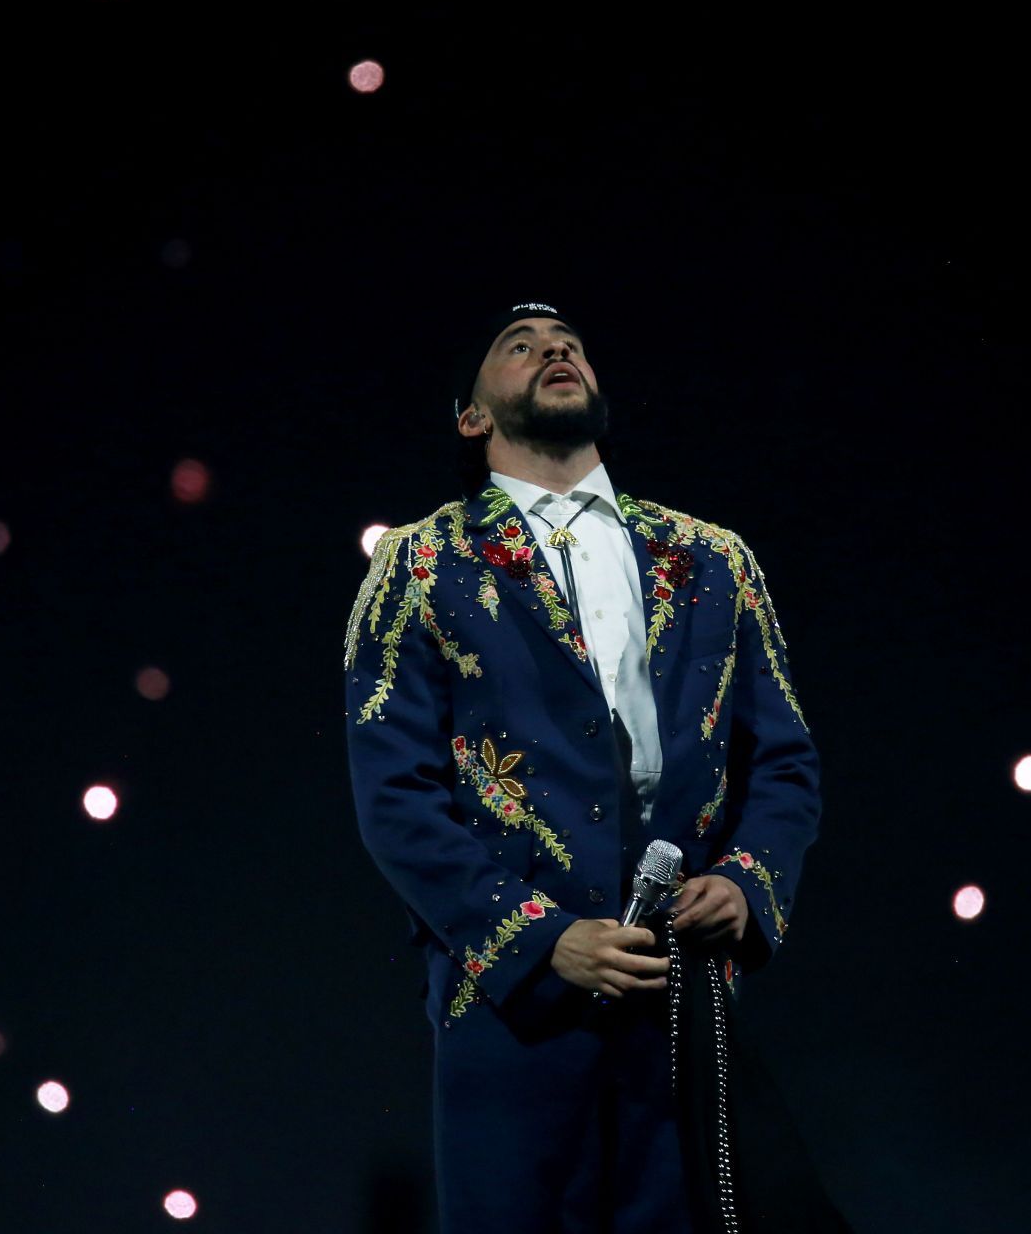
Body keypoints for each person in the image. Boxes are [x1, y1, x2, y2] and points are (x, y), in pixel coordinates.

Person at [344, 302, 825, 1233]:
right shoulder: (419, 564)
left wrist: (747, 882)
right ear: (471, 416)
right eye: (516, 348)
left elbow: (787, 761)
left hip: (682, 1004)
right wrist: (539, 941)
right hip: (511, 1011)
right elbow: (396, 803)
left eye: (567, 342)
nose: (553, 350)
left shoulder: (715, 559)